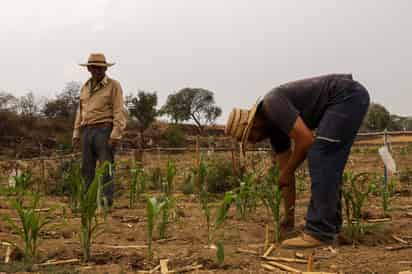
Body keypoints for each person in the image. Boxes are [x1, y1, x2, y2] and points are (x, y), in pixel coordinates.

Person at [225, 74, 370, 248]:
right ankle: (331, 231)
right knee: (328, 162)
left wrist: (287, 171)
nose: (254, 141)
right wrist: (289, 218)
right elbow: (285, 176)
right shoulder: (276, 132)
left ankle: (320, 232)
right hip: (348, 98)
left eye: (251, 137)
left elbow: (306, 141)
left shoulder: (273, 104)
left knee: (320, 154)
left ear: (255, 123)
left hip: (346, 96)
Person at [72, 53, 127, 207]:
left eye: (99, 67)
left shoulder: (113, 85)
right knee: (86, 169)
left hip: (104, 130)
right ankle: (88, 202)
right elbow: (80, 111)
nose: (96, 70)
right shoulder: (85, 87)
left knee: (105, 168)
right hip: (86, 130)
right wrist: (76, 133)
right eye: (93, 67)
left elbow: (119, 111)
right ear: (88, 68)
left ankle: (105, 202)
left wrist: (115, 134)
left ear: (104, 68)